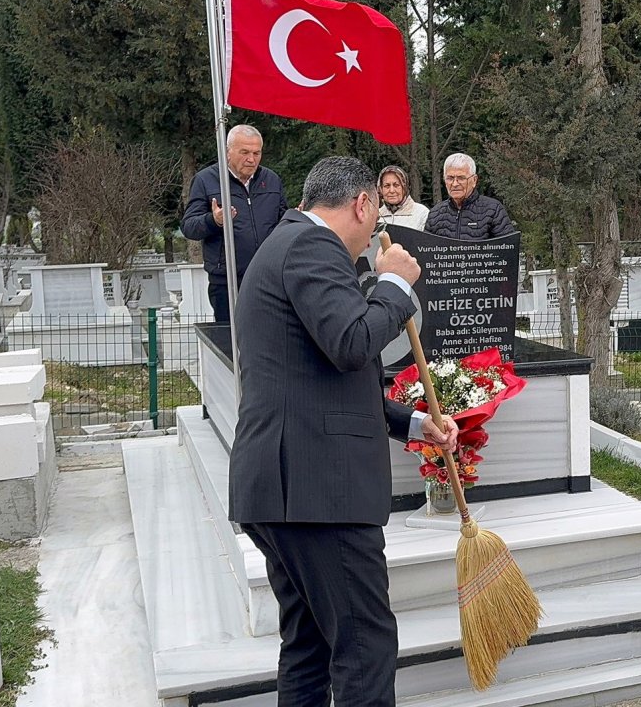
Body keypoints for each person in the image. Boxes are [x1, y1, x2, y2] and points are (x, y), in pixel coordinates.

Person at [228, 156, 458, 706]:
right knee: (363, 646)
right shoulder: (311, 247)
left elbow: (326, 378)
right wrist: (395, 286)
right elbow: (353, 341)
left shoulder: (286, 245)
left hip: (288, 488)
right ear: (361, 204)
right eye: (376, 214)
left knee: (309, 645)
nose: (375, 230)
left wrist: (414, 423)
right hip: (317, 493)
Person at [181, 124, 287, 323]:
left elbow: (281, 222)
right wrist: (214, 220)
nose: (251, 159)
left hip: (268, 278)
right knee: (231, 343)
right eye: (245, 152)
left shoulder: (271, 180)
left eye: (256, 153)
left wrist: (295, 218)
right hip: (226, 282)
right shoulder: (206, 180)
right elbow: (189, 227)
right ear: (227, 152)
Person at [425, 153, 515, 240]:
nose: (455, 184)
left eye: (461, 178)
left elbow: (508, 248)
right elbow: (425, 250)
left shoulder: (493, 210)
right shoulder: (435, 213)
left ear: (474, 180)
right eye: (450, 178)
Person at [377, 165, 429, 231]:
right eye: (387, 186)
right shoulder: (376, 216)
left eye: (396, 185)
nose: (392, 190)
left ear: (404, 187)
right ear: (381, 189)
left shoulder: (421, 213)